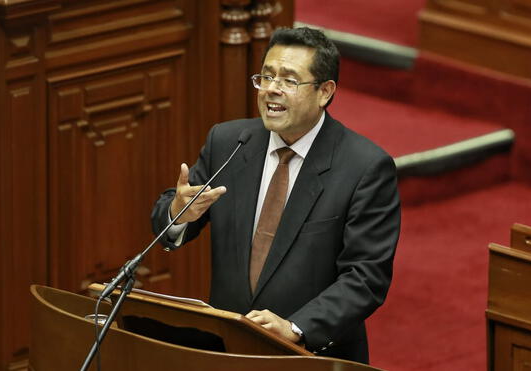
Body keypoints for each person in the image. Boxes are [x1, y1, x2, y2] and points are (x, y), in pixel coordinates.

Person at [151, 27, 400, 364]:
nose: (271, 90)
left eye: (289, 81)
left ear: (325, 91)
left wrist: (296, 327)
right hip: (226, 350)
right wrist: (178, 214)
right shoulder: (228, 143)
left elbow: (366, 278)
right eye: (266, 77)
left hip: (310, 356)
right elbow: (168, 223)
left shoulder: (365, 168)